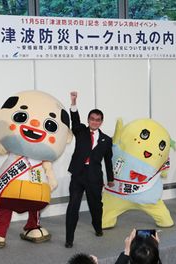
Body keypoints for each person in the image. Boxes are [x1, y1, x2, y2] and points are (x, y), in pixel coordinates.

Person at [65, 91, 114, 248]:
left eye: (97, 120)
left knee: (96, 206)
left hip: (94, 177)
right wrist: (73, 103)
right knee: (73, 206)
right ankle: (69, 239)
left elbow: (108, 160)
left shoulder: (107, 140)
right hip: (78, 175)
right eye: (92, 119)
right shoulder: (80, 131)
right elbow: (74, 119)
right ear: (88, 120)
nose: (94, 122)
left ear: (101, 122)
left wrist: (111, 179)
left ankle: (98, 228)